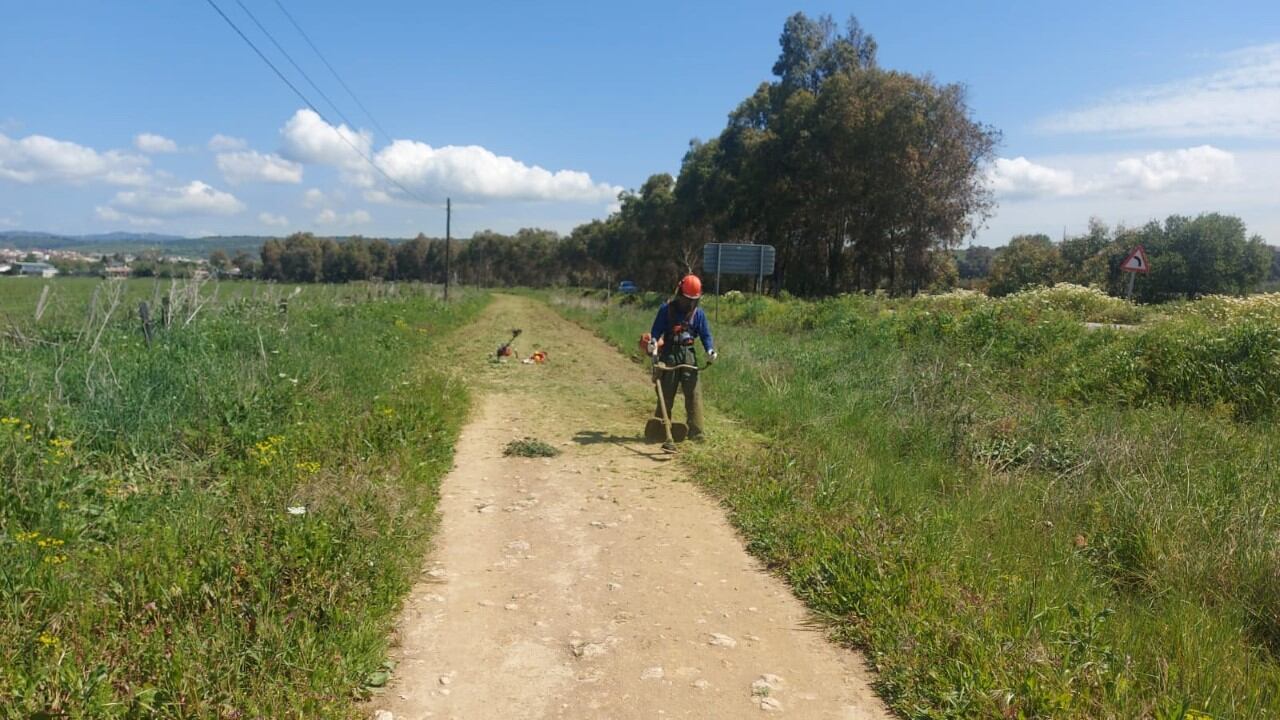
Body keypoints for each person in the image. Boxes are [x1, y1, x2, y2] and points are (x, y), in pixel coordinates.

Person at [647, 274, 717, 445]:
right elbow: (655, 331)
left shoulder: (698, 315)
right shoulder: (666, 310)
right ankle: (662, 428)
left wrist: (710, 350)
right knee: (666, 392)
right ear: (679, 294)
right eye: (687, 300)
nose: (690, 304)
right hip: (670, 354)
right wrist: (653, 343)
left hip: (689, 356)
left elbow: (706, 335)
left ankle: (696, 432)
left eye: (694, 300)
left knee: (693, 394)